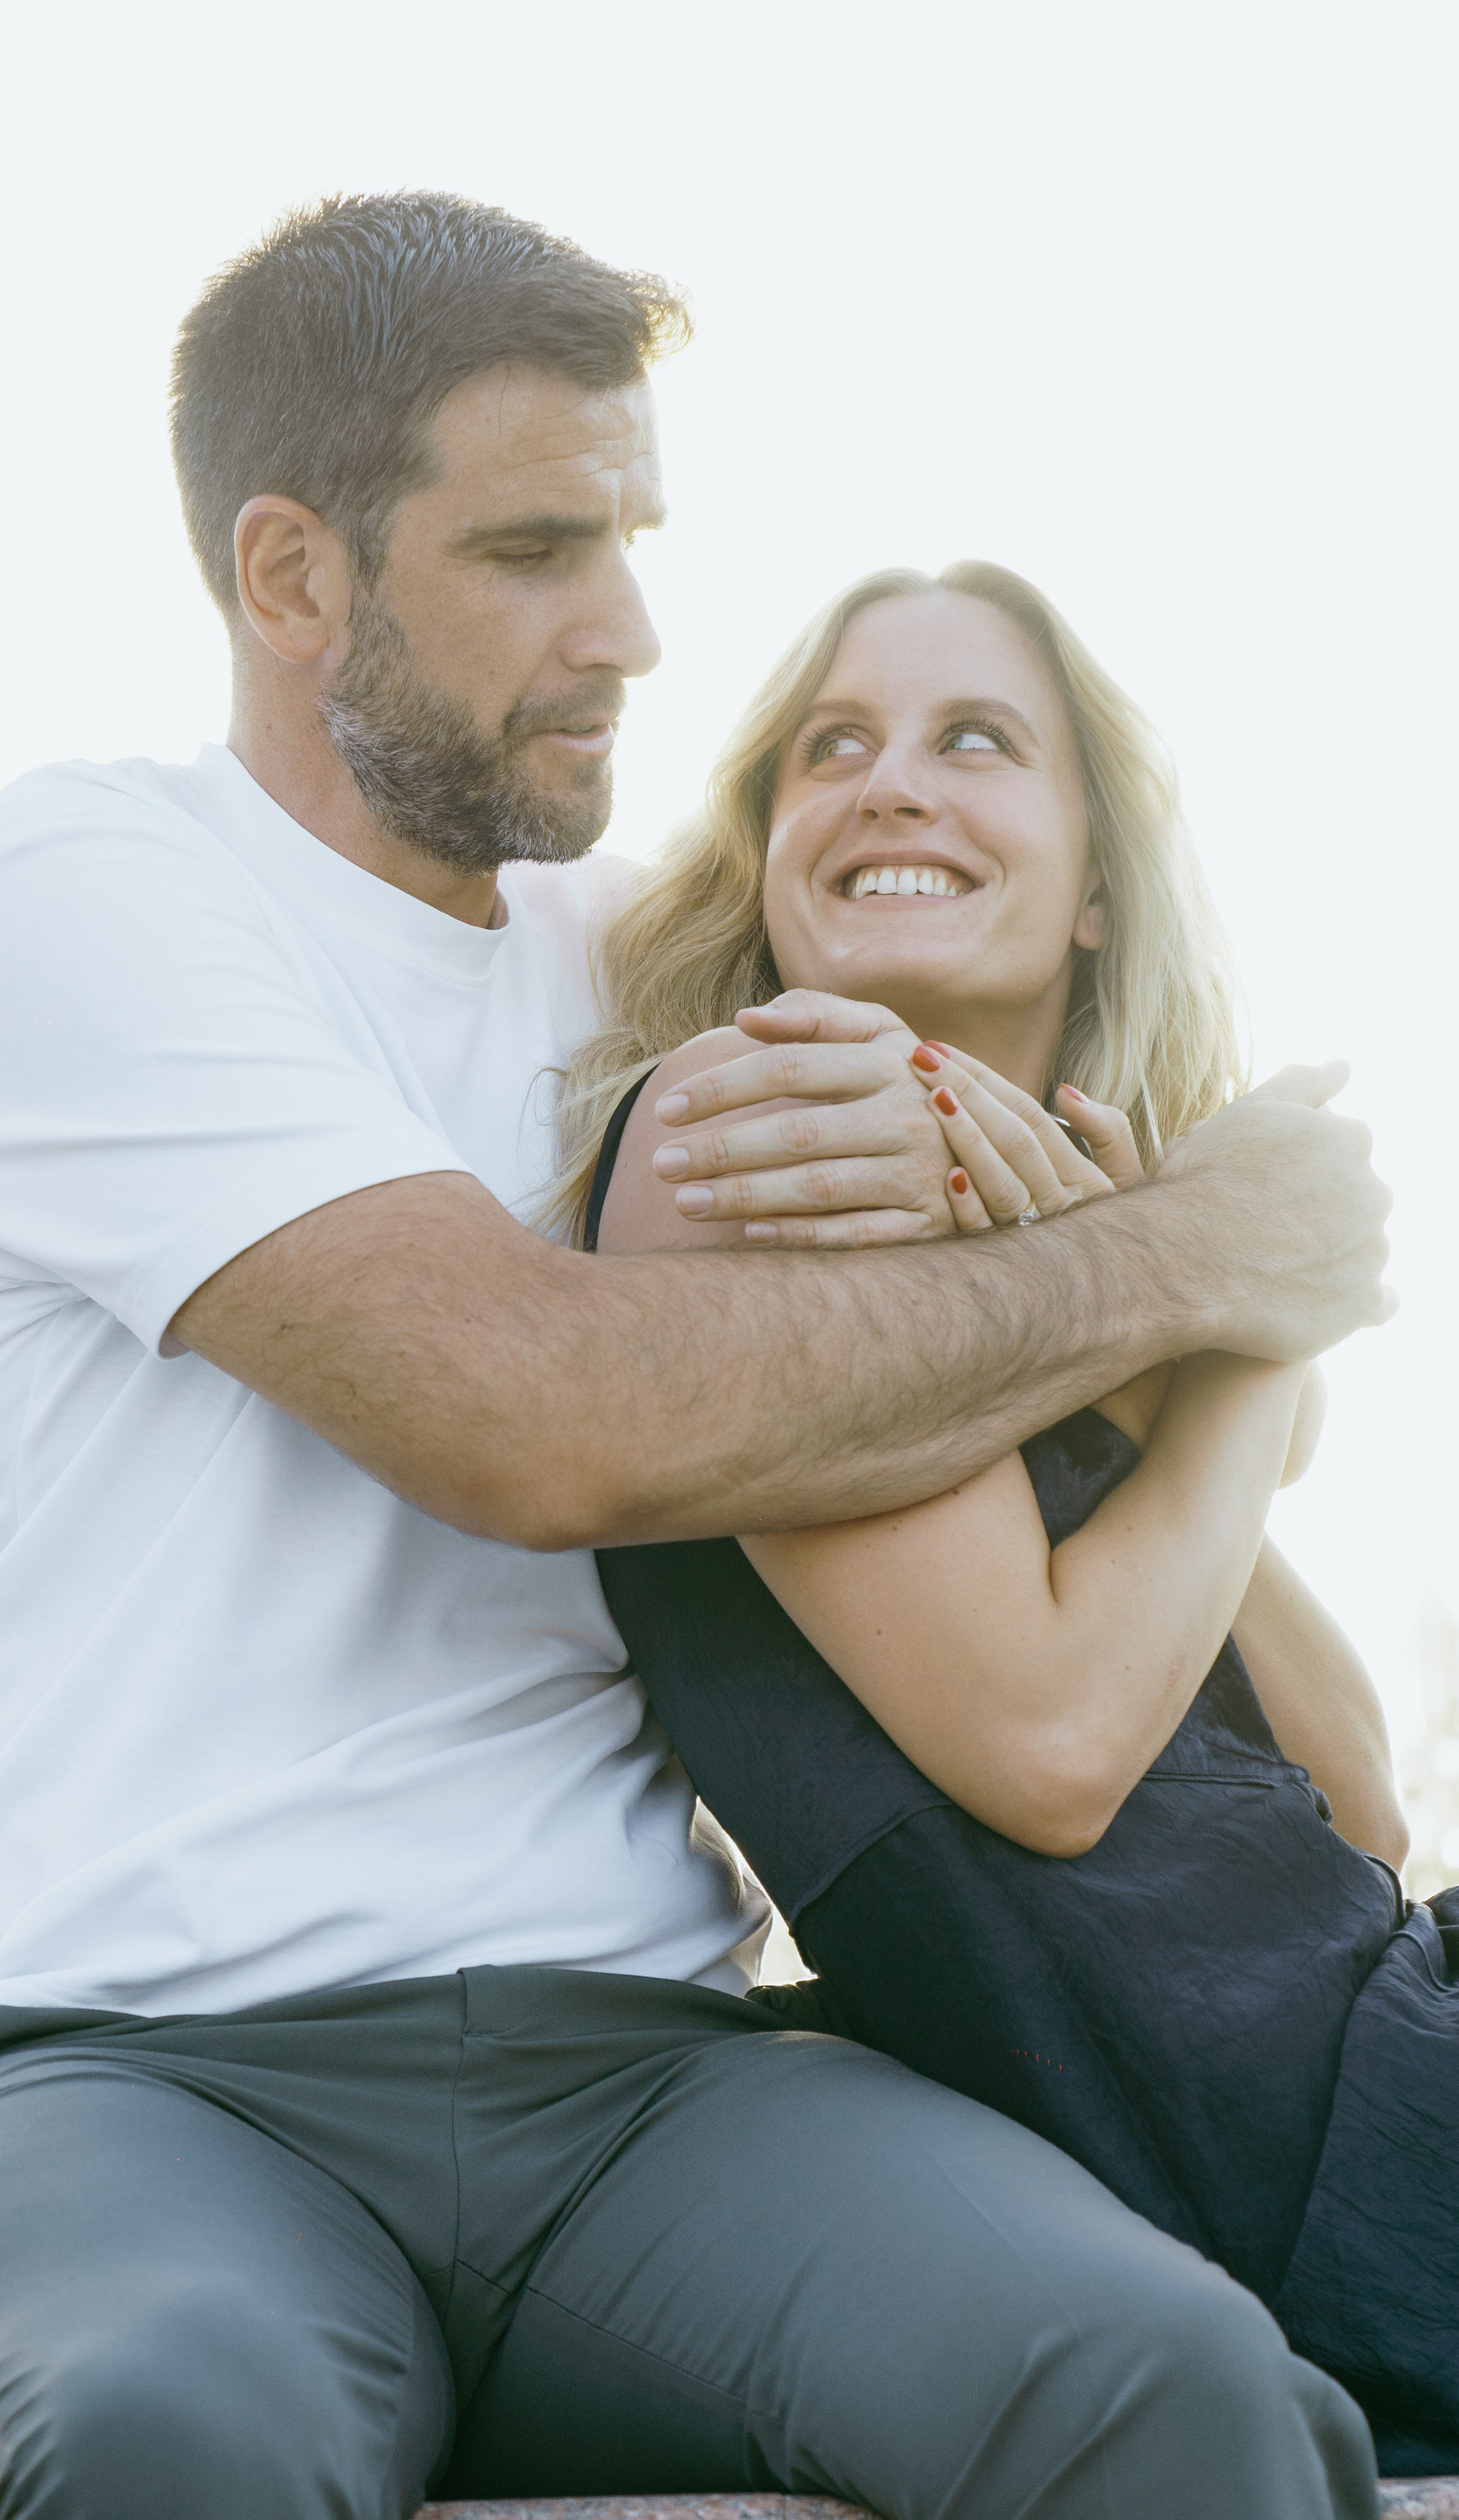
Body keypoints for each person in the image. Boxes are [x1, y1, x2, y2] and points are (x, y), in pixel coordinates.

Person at [0, 194, 1394, 2520]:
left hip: (647, 2082)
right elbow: (532, 1416)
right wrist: (1199, 1260)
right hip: (114, 2082)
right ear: (293, 578)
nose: (637, 632)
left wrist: (1170, 1297)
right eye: (542, 548)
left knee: (1175, 2383)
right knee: (184, 2436)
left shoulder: (648, 983)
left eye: (636, 537)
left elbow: (976, 1381)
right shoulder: (91, 884)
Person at [572, 559, 1454, 2477]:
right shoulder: (766, 1129)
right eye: (835, 748)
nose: (893, 783)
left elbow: (1356, 1801)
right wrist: (1238, 1349)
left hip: (1366, 2083)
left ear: (1097, 879)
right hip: (1239, 2148)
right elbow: (1052, 1743)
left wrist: (1142, 1361)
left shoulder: (1048, 1250)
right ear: (770, 849)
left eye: (977, 740)